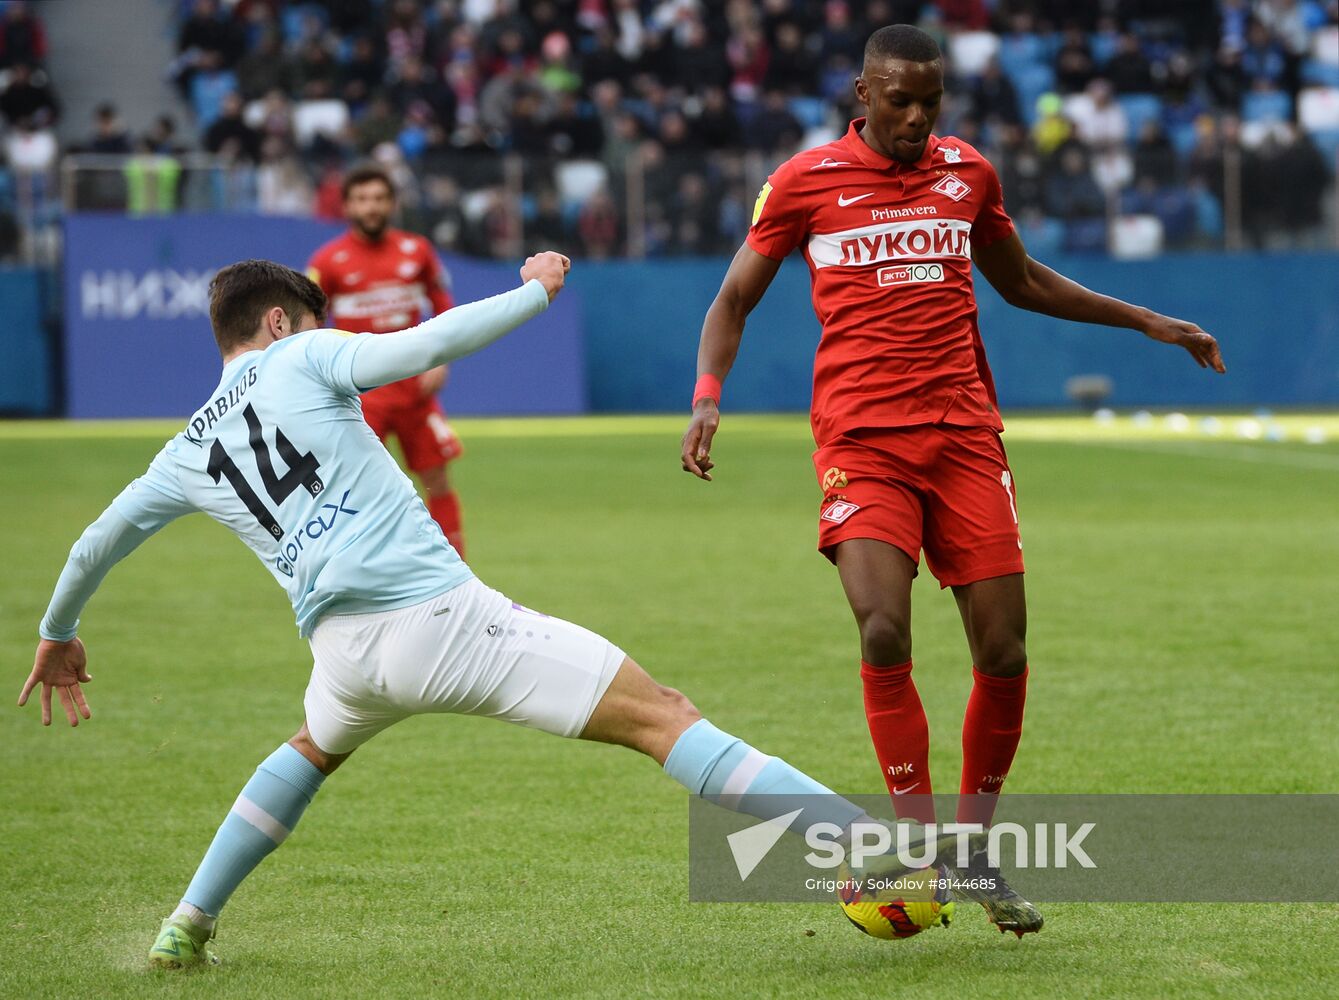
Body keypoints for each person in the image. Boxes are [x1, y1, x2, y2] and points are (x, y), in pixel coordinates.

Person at [19, 255, 968, 969]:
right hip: (438, 620)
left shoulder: (183, 450)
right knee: (662, 716)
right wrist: (535, 290)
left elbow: (91, 543)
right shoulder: (302, 354)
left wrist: (58, 632)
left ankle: (187, 924)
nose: (323, 330)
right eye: (314, 321)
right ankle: (874, 851)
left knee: (310, 749)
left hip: (344, 653)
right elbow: (425, 346)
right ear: (280, 320)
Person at [680, 25, 1226, 936]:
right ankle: (921, 844)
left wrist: (1144, 321)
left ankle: (972, 853)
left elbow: (1020, 283)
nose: (916, 116)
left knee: (1004, 650)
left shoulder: (967, 173)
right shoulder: (804, 182)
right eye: (898, 99)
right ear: (863, 91)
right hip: (863, 441)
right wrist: (705, 397)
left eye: (930, 100)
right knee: (882, 625)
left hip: (964, 436)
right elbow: (734, 296)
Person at [307, 163, 468, 555]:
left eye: (379, 198)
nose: (371, 207)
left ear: (392, 203)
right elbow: (306, 325)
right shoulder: (328, 261)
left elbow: (443, 306)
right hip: (361, 396)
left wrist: (439, 360)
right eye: (362, 199)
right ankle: (360, 569)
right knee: (354, 489)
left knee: (436, 480)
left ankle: (458, 572)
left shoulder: (418, 251)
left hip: (415, 390)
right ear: (347, 207)